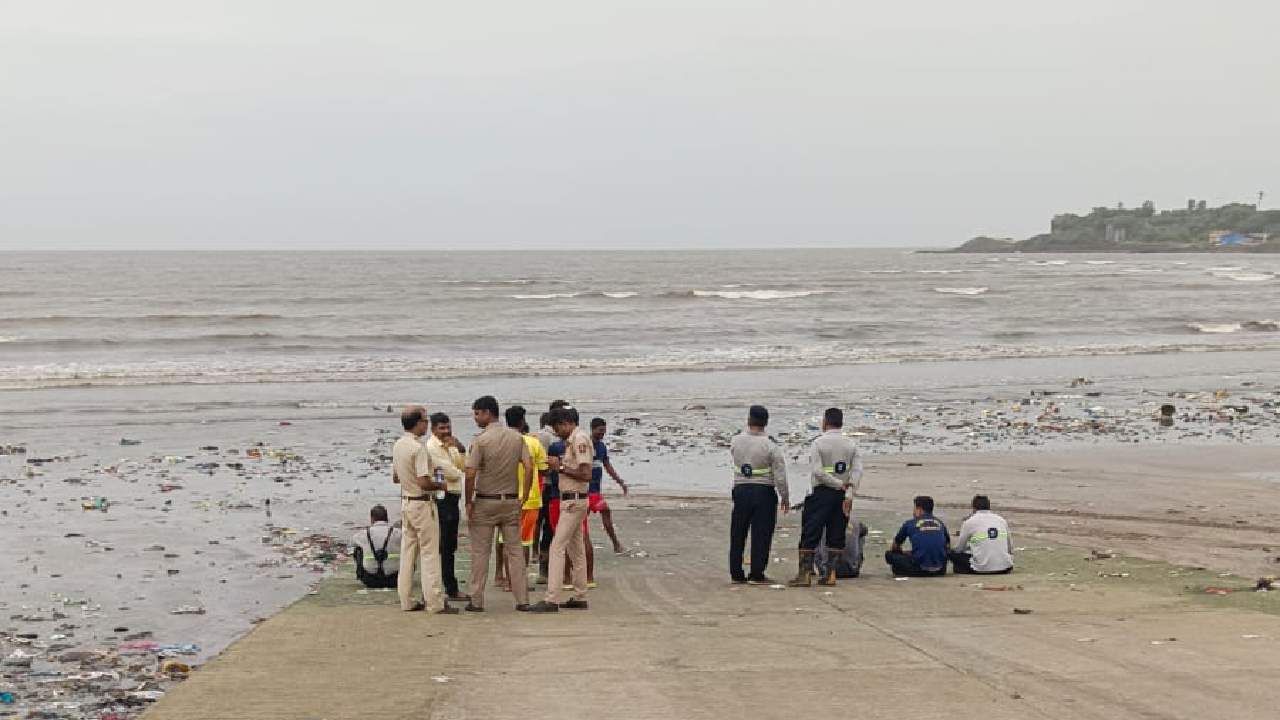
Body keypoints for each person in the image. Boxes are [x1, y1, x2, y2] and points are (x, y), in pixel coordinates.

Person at [463, 395, 534, 612]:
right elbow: (530, 467)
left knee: (481, 552)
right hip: (511, 500)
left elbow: (470, 473)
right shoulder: (516, 437)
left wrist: (468, 501)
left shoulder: (480, 440)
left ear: (487, 413)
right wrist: (525, 494)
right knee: (515, 552)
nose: (475, 418)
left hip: (486, 500)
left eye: (477, 413)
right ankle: (522, 600)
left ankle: (476, 600)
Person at [528, 407, 593, 612]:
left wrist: (560, 467)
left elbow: (586, 473)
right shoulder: (574, 439)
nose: (557, 433)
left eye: (557, 428)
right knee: (576, 549)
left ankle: (552, 598)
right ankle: (580, 594)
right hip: (575, 499)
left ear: (566, 423)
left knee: (557, 547)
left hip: (573, 500)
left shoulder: (579, 440)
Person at [391, 405, 456, 614]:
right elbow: (423, 481)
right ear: (418, 423)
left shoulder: (399, 445)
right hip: (422, 502)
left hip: (406, 502)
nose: (427, 424)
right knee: (429, 554)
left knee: (408, 552)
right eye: (425, 421)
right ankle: (435, 602)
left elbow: (395, 477)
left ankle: (406, 599)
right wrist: (440, 484)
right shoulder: (418, 448)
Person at [789, 408, 862, 587]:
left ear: (825, 422)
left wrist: (837, 484)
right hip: (842, 496)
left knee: (811, 532)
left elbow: (817, 471)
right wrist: (849, 493)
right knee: (836, 533)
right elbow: (857, 471)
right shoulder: (851, 444)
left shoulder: (818, 443)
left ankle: (804, 574)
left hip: (821, 493)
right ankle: (830, 575)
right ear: (841, 422)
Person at [729, 405, 789, 585]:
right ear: (766, 422)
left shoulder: (736, 441)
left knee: (738, 532)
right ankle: (756, 573)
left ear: (749, 419)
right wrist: (785, 496)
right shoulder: (771, 445)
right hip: (764, 491)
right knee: (761, 534)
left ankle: (736, 573)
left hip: (741, 489)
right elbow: (780, 475)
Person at [494, 405, 544, 593]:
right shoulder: (533, 443)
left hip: (505, 497)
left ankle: (507, 580)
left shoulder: (501, 442)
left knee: (506, 541)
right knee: (524, 542)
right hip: (529, 498)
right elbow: (543, 468)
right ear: (523, 421)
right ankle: (519, 580)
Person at [425, 412, 470, 602]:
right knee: (443, 545)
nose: (446, 431)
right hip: (443, 499)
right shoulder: (432, 447)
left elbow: (464, 464)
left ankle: (450, 586)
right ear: (433, 429)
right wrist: (458, 469)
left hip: (453, 496)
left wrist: (459, 448)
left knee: (450, 545)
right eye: (441, 428)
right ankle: (448, 588)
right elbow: (452, 472)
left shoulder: (450, 445)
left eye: (448, 427)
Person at [585, 418, 628, 585]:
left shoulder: (601, 446)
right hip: (585, 491)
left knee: (606, 511)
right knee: (582, 521)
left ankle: (616, 544)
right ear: (592, 429)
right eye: (599, 431)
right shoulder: (585, 444)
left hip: (596, 491)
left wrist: (620, 482)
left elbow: (607, 466)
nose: (602, 434)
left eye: (604, 431)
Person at [885, 496, 950, 577]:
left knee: (889, 555)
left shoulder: (910, 523)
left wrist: (903, 553)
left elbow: (895, 546)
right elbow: (947, 546)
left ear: (919, 509)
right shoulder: (940, 523)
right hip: (940, 570)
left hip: (919, 569)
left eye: (914, 508)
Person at [949, 495, 1013, 575]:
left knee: (952, 554)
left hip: (982, 568)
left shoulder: (969, 522)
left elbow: (959, 548)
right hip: (1005, 567)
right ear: (989, 507)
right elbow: (1010, 548)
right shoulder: (1001, 520)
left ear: (974, 508)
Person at [350, 504, 401, 589]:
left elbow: (352, 542)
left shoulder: (364, 534)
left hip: (370, 580)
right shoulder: (398, 533)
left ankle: (360, 574)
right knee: (407, 548)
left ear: (372, 519)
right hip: (394, 579)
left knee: (358, 549)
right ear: (387, 518)